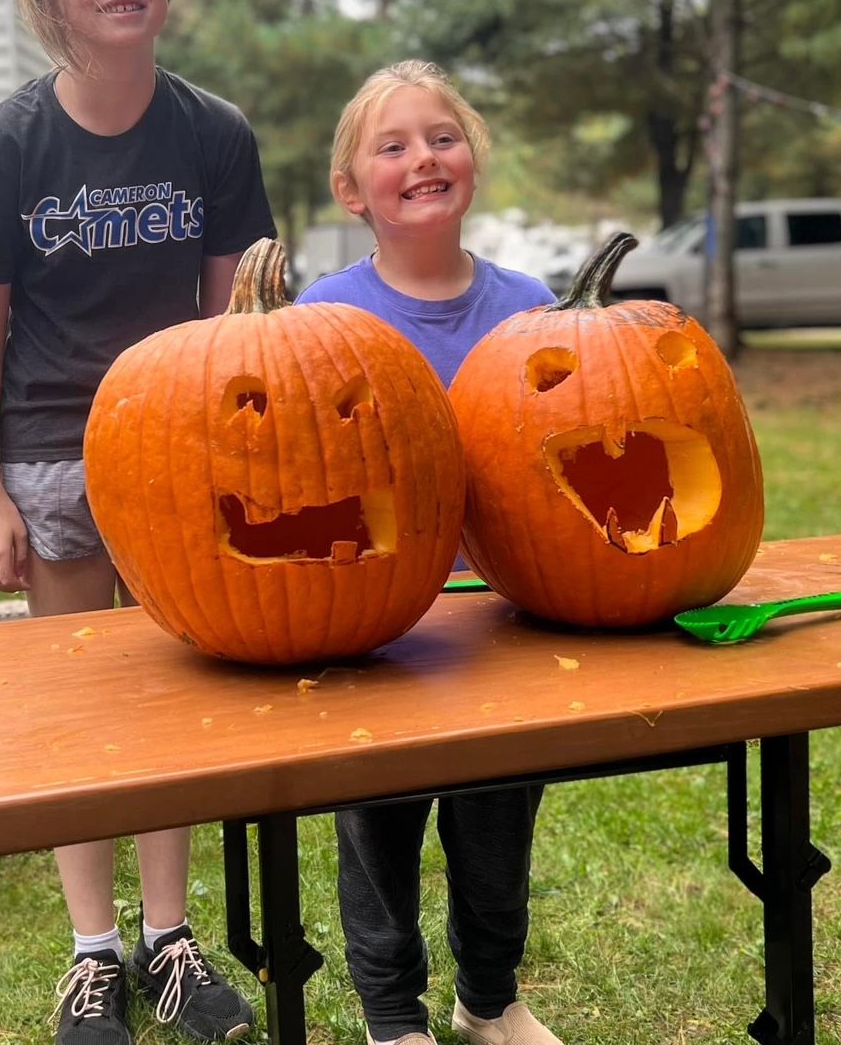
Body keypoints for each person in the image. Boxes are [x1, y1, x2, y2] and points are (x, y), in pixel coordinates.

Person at [0, 0, 276, 1045]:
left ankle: (171, 938)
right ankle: (94, 952)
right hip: (49, 451)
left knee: (169, 689)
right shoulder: (10, 142)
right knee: (79, 705)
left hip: (180, 453)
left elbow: (233, 314)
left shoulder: (212, 132)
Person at [295, 61, 563, 1045]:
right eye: (393, 144)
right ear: (352, 188)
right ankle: (391, 1011)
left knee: (497, 818)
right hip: (376, 618)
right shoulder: (327, 319)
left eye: (442, 137)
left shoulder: (529, 303)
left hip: (502, 613)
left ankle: (489, 994)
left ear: (473, 160)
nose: (424, 158)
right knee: (378, 824)